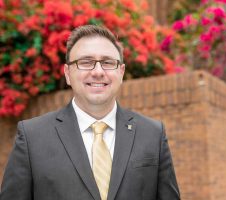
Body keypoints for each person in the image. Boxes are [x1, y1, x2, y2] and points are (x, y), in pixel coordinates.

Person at [0, 25, 180, 200]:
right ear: (68, 73)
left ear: (121, 72)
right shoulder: (32, 137)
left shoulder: (152, 134)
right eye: (86, 63)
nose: (98, 72)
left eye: (108, 62)